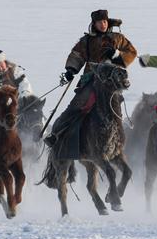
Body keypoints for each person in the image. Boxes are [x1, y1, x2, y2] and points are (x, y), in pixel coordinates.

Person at [44, 9, 137, 155]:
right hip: (91, 80)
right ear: (94, 24)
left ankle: (119, 139)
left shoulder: (117, 38)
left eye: (105, 21)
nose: (103, 24)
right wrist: (71, 70)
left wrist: (117, 54)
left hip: (112, 82)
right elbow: (77, 55)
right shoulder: (86, 41)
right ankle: (57, 134)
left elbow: (132, 52)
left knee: (116, 109)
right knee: (76, 105)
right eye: (99, 22)